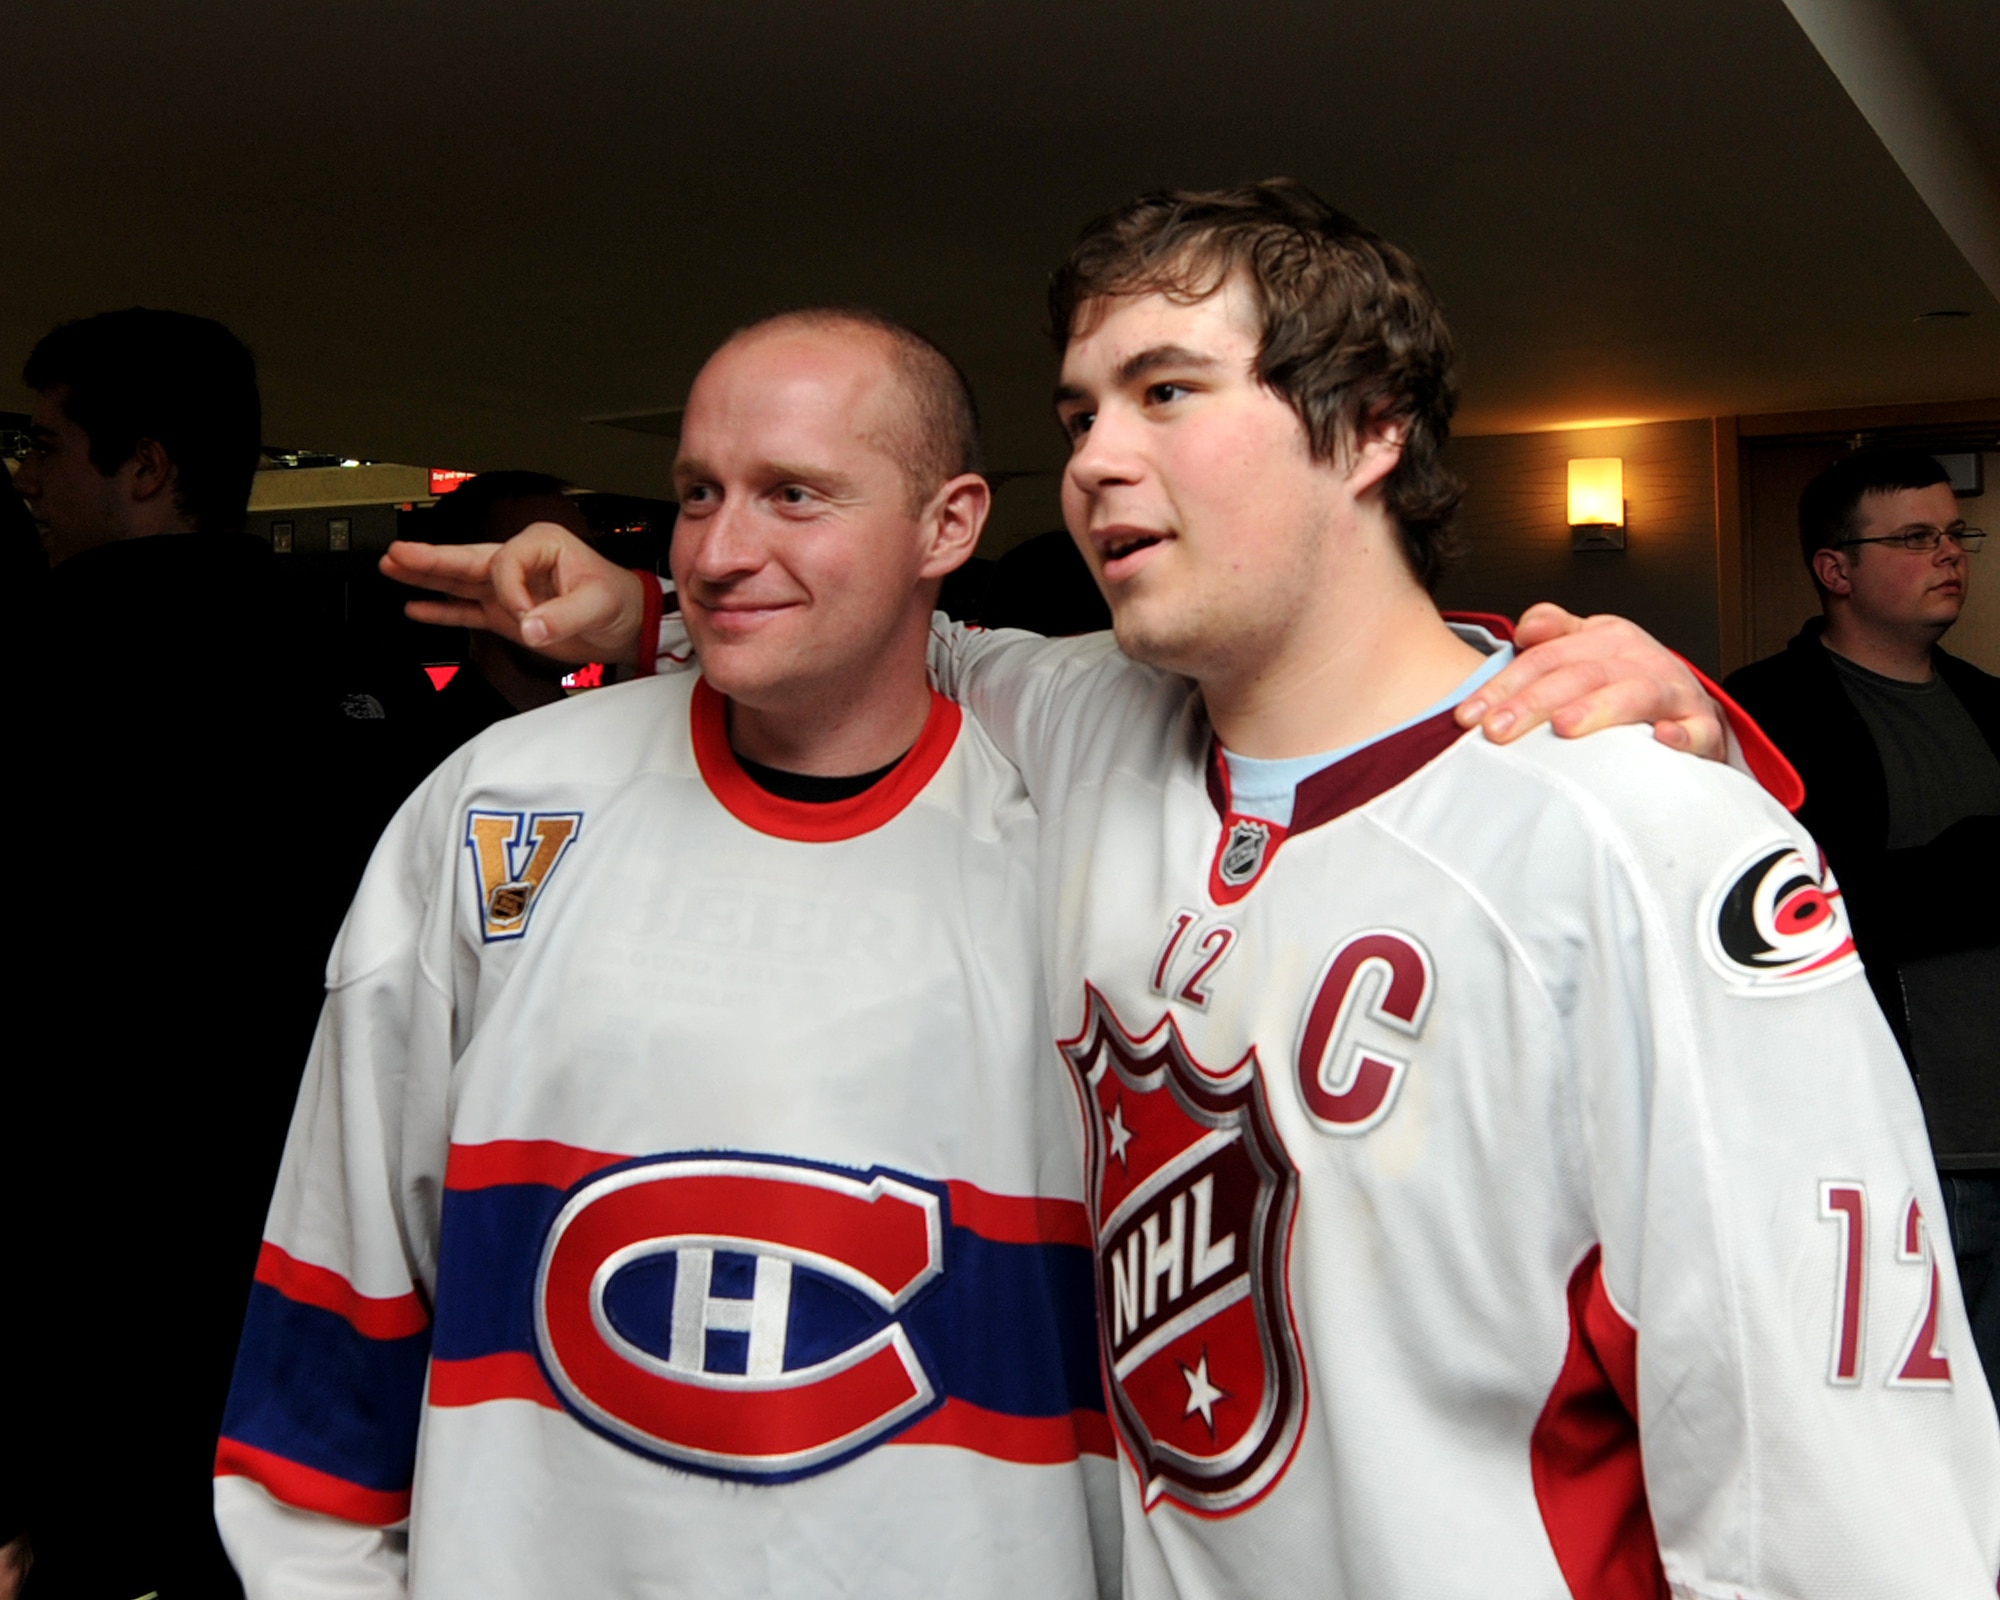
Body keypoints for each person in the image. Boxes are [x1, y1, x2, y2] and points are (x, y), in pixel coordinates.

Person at [432, 183, 2000, 1596]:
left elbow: (1840, 1490)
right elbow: (913, 646)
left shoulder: (1630, 838)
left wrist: (1695, 766)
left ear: (1371, 424)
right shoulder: (1098, 728)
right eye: (1085, 408)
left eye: (1169, 394)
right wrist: (646, 608)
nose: (1099, 459)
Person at [213, 309, 1120, 1599]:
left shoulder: (1085, 842)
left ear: (949, 525)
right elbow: (342, 1272)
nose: (720, 550)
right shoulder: (499, 805)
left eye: (793, 494)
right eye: (698, 493)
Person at [5, 308, 414, 1599]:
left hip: (91, 1265)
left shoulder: (45, 667)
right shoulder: (363, 672)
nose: (28, 476)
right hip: (308, 1255)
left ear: (147, 468)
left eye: (49, 445)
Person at [1725, 446, 2000, 1389]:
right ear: (1834, 569)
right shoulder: (1760, 715)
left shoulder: (1992, 710)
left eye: (1954, 533)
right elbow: (1790, 918)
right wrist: (1974, 866)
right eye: (1915, 538)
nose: (1949, 554)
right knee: (1921, 1446)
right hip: (1890, 1152)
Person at [413, 471, 597, 755]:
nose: (577, 584)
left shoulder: (598, 741)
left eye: (588, 556)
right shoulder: (431, 757)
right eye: (542, 564)